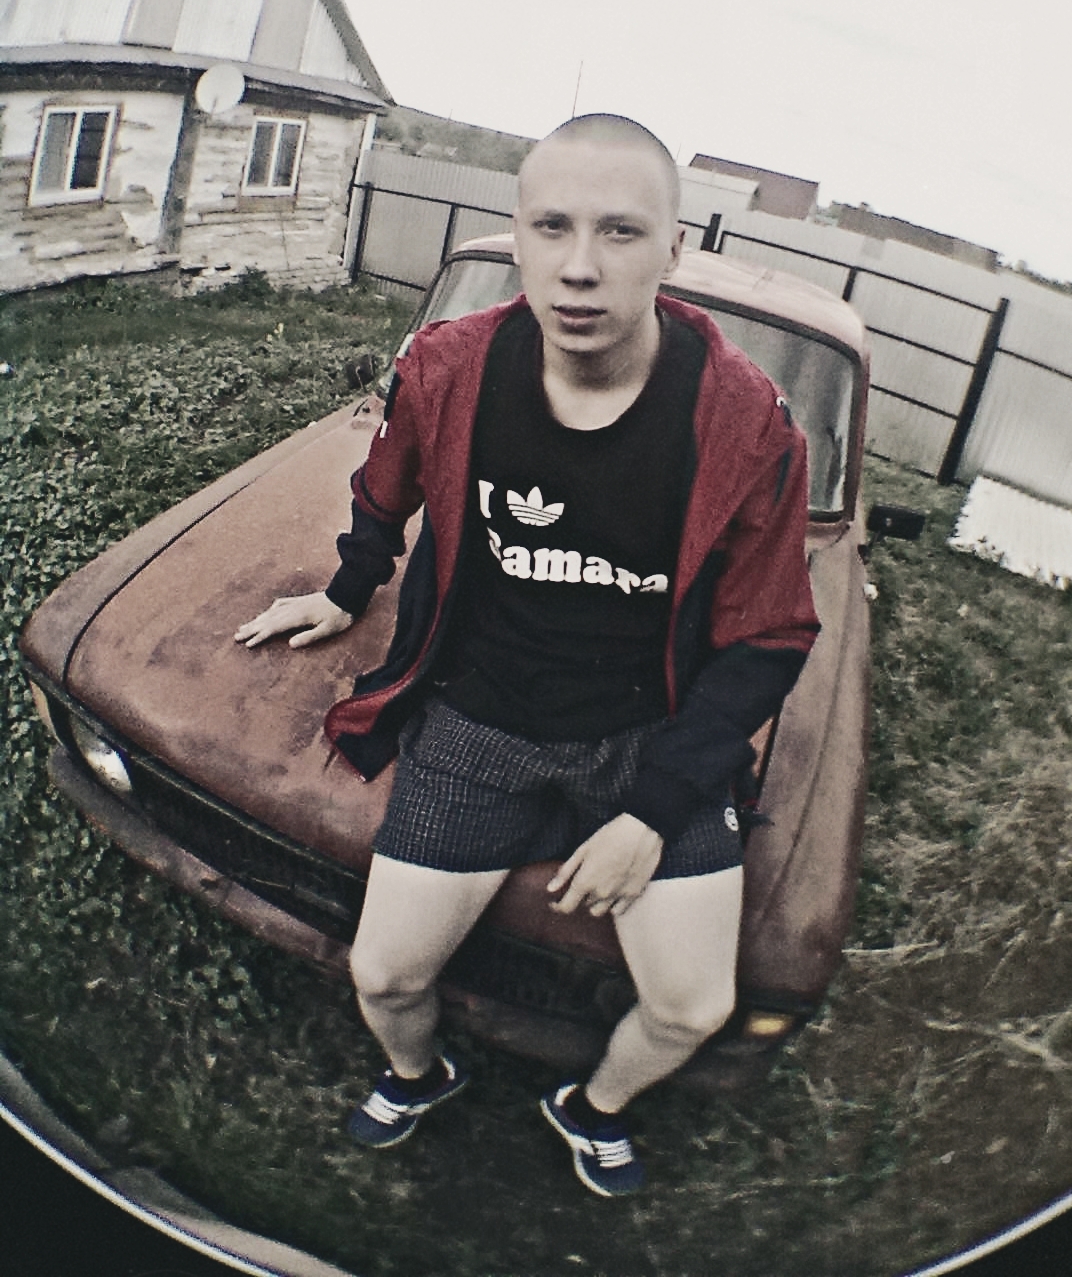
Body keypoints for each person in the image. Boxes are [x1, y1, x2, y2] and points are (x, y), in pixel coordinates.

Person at [234, 113, 819, 1197]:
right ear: (518, 233)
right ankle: (419, 1076)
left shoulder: (748, 422)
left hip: (650, 735)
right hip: (477, 723)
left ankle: (591, 1107)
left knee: (694, 1004)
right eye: (552, 226)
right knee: (384, 975)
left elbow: (769, 633)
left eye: (620, 231)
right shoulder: (450, 367)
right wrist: (347, 588)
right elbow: (386, 484)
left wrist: (651, 813)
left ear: (675, 248)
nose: (580, 266)